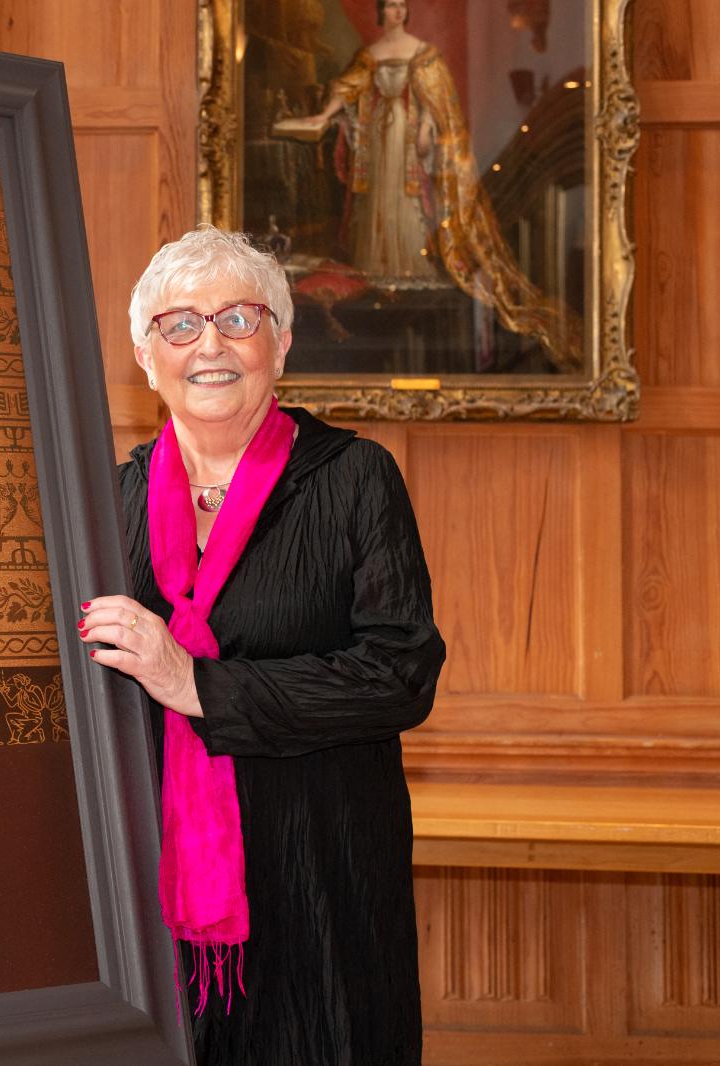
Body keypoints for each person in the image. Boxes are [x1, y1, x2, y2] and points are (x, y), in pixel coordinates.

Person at [80, 225, 445, 1065]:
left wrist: (198, 685)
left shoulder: (353, 478)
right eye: (179, 324)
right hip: (150, 894)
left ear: (279, 344)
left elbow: (400, 674)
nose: (208, 345)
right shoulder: (107, 500)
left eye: (237, 319)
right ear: (144, 356)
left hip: (320, 876)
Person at [281, 0, 581, 369]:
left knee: (405, 202)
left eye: (401, 6)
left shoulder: (423, 54)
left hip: (406, 139)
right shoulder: (370, 55)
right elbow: (347, 89)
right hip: (379, 138)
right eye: (391, 6)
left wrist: (425, 126)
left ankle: (408, 266)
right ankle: (376, 267)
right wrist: (324, 116)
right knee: (376, 204)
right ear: (382, 12)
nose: (397, 12)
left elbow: (436, 104)